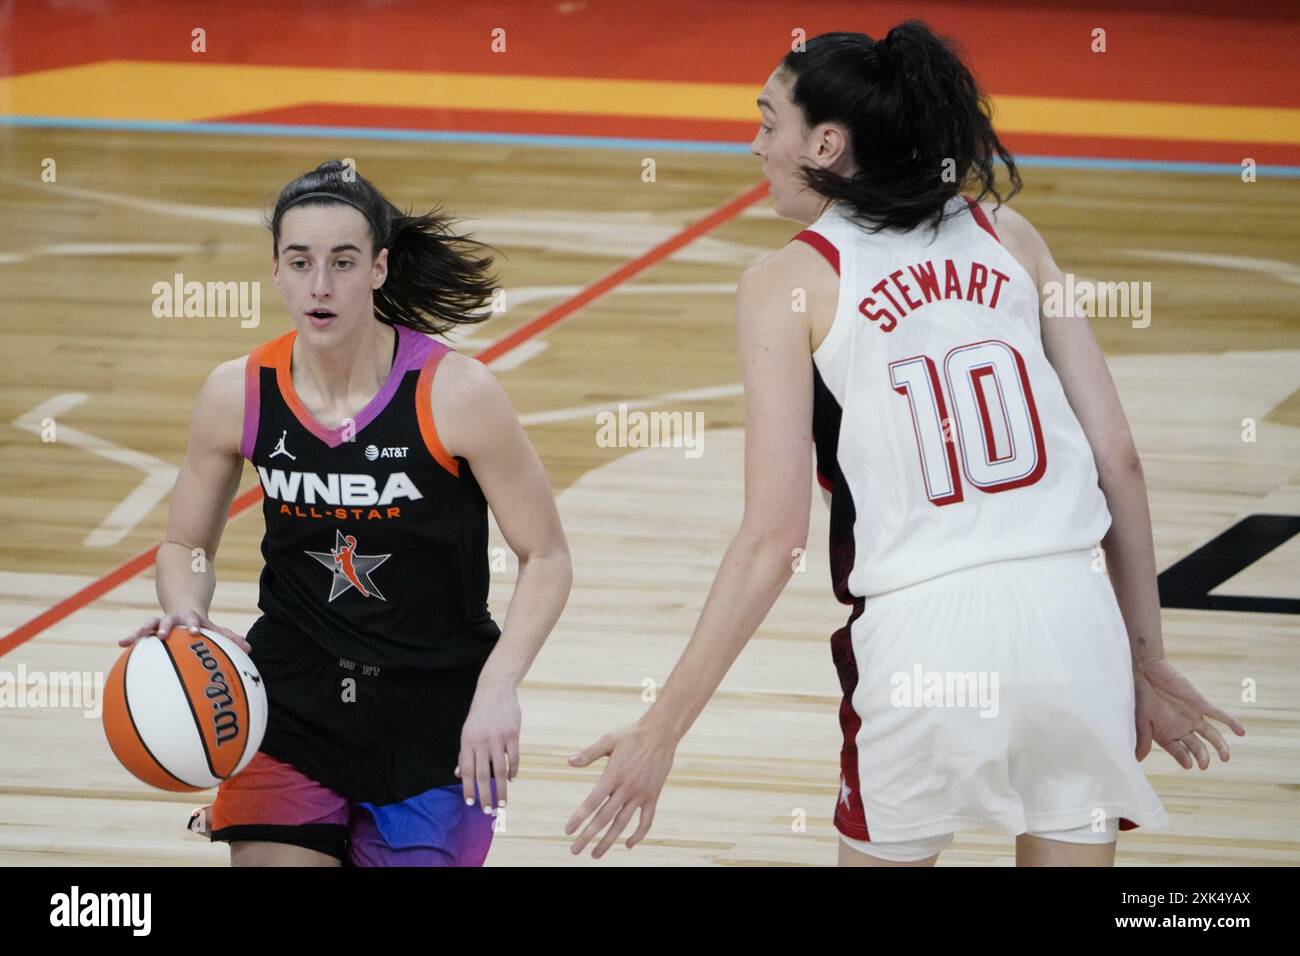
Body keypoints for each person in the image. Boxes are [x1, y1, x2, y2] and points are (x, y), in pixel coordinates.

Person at [564, 24, 1245, 867]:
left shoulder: (785, 283)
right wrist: (1145, 661)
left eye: (767, 121)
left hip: (924, 635)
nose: (755, 143)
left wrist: (661, 728)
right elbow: (1120, 461)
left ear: (826, 142)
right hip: (1075, 622)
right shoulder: (1009, 236)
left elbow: (774, 541)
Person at [122, 160, 572, 866]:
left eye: (343, 261)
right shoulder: (236, 391)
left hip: (435, 709)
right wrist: (186, 612)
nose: (320, 286)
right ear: (276, 272)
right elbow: (186, 545)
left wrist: (498, 690)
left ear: (380, 269)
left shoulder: (456, 392)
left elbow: (546, 556)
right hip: (290, 697)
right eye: (300, 263)